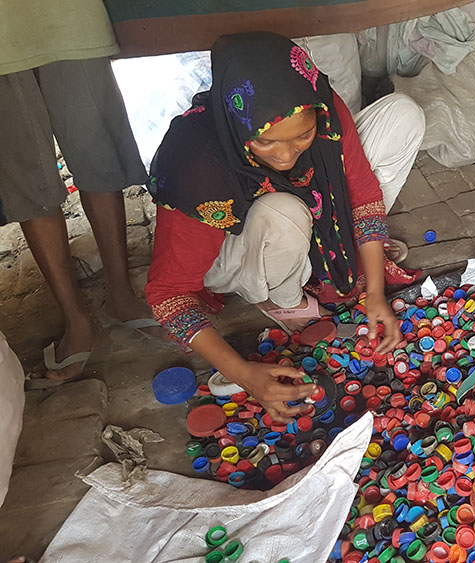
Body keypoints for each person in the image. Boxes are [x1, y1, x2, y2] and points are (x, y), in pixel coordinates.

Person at [145, 32, 425, 422]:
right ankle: (281, 296)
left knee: (402, 114)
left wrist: (374, 293)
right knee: (283, 210)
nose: (285, 156)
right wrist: (243, 373)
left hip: (310, 212)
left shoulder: (320, 104)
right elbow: (168, 296)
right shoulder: (195, 165)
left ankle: (339, 259)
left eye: (303, 137)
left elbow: (362, 195)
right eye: (266, 143)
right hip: (239, 248)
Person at [0, 0, 164, 386]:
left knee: (98, 155)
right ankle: (75, 317)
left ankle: (120, 293)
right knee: (28, 181)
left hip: (68, 18)